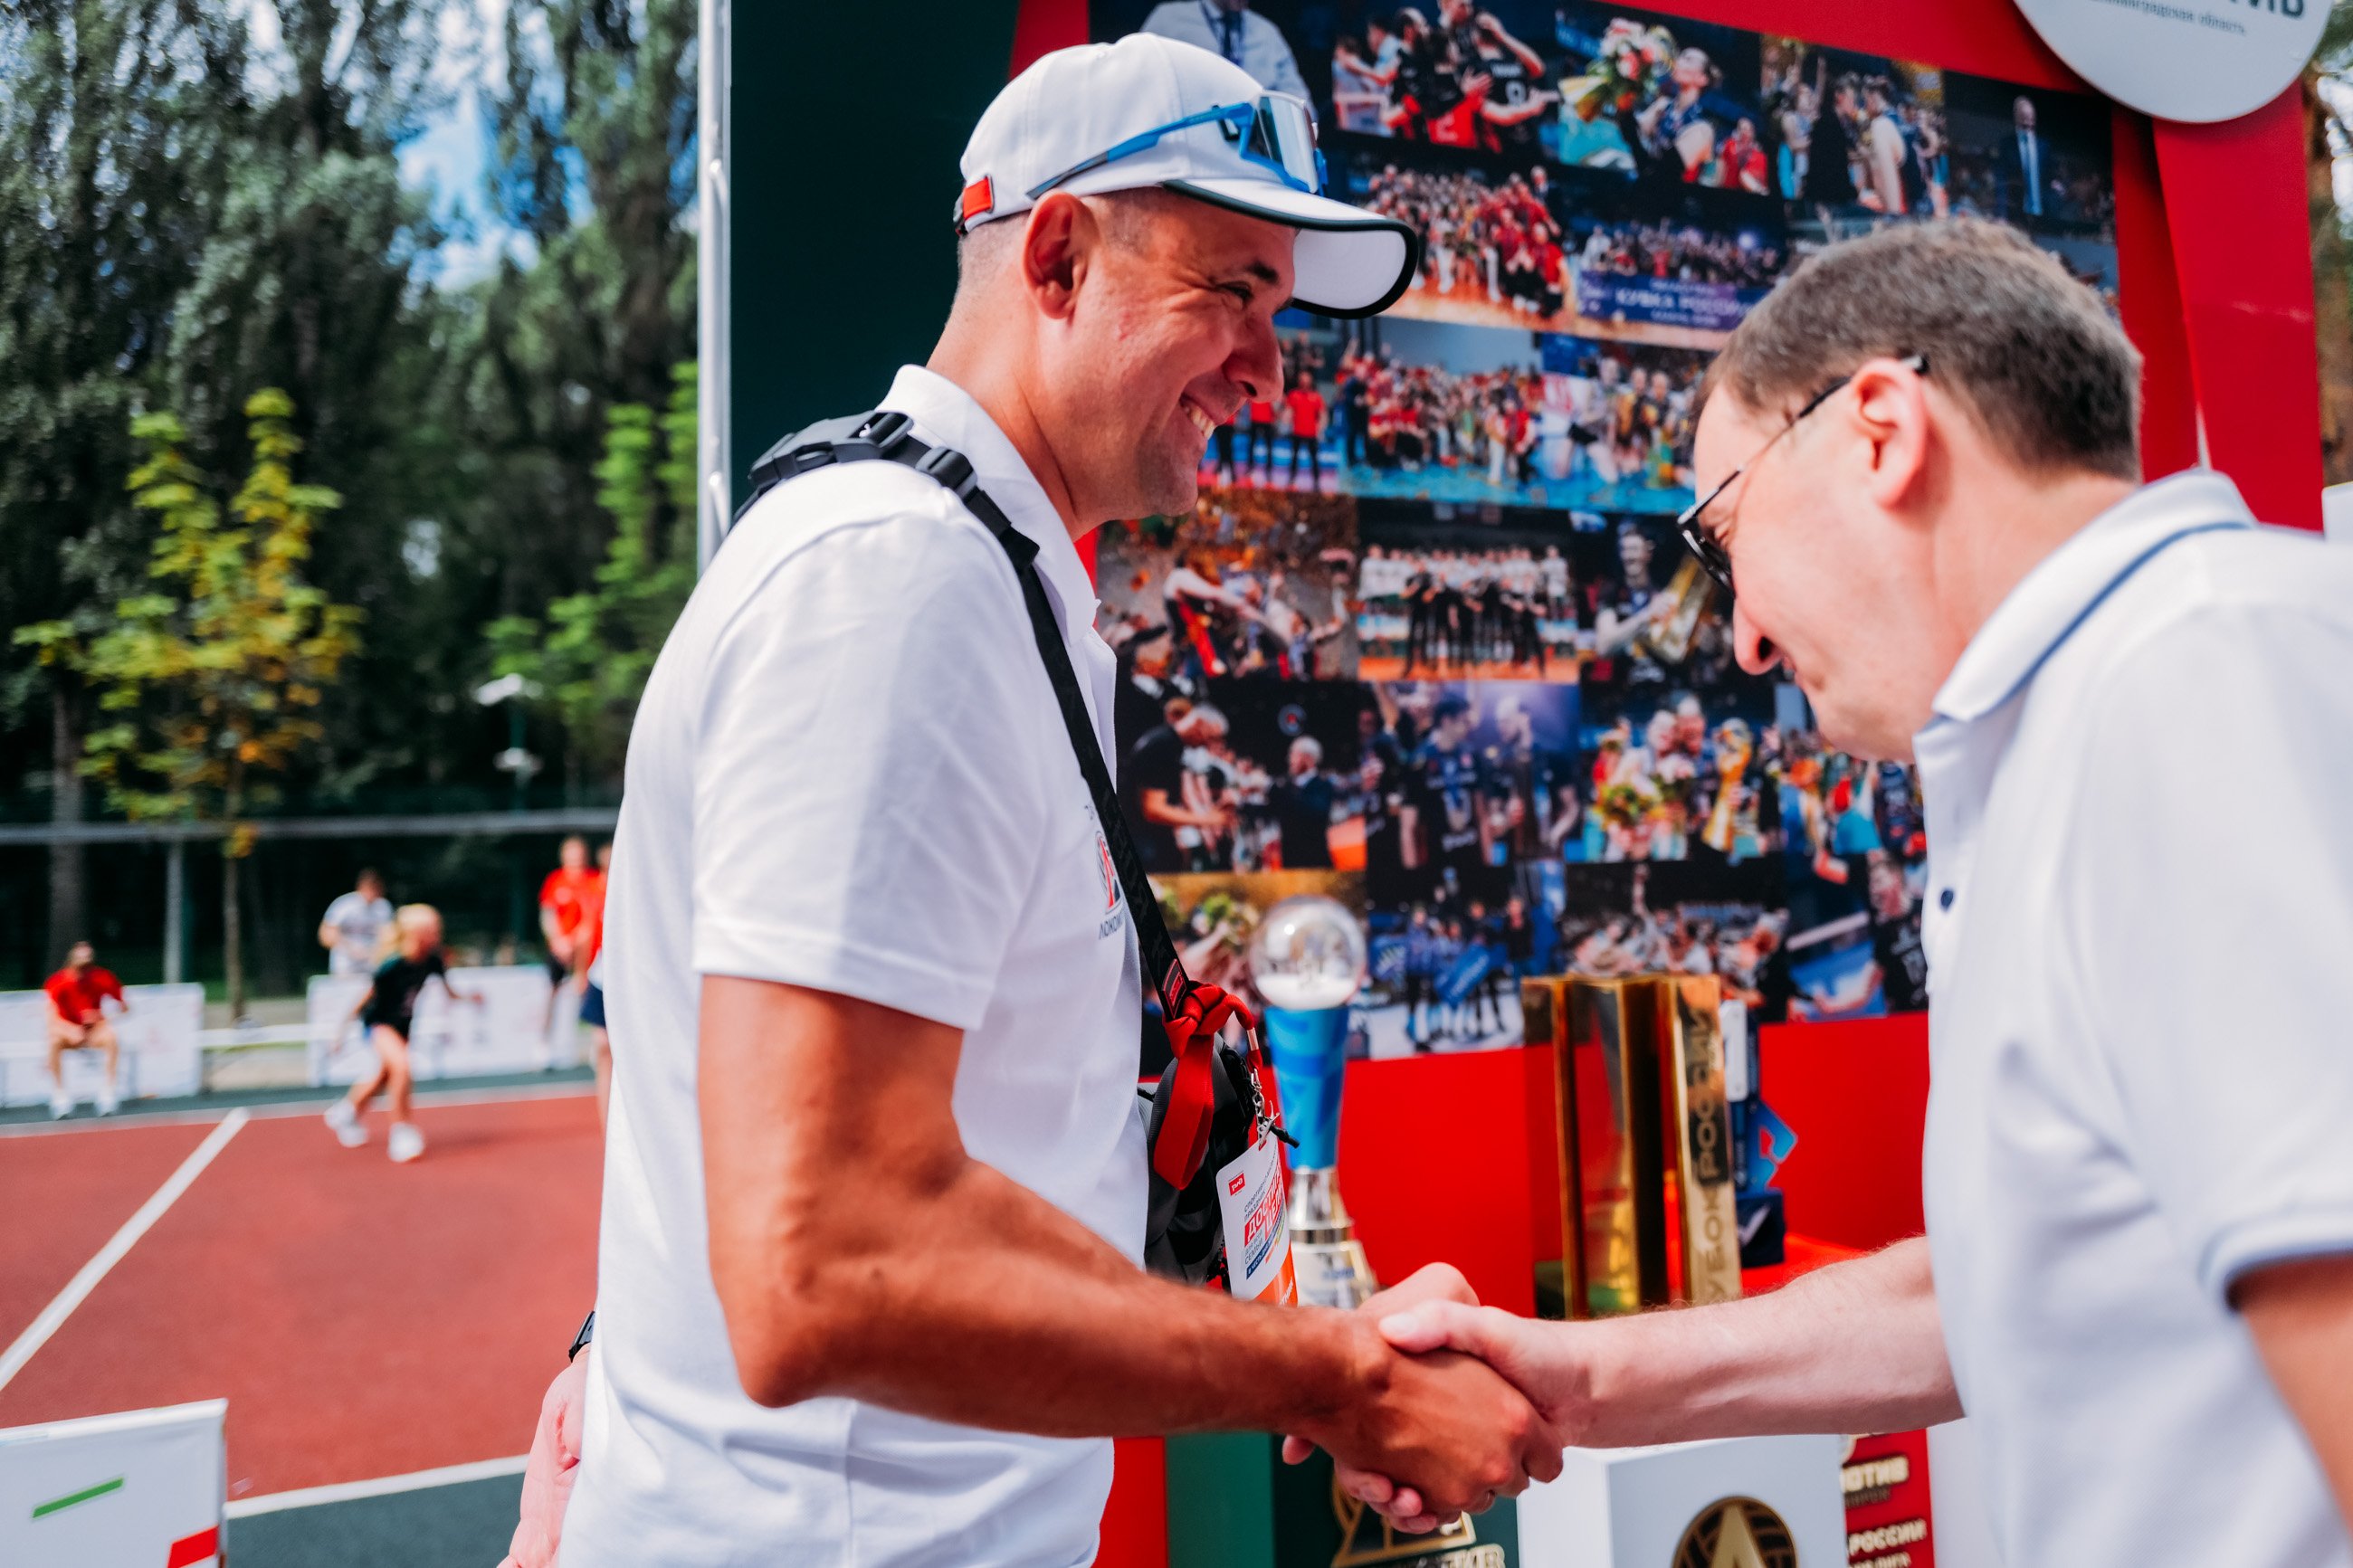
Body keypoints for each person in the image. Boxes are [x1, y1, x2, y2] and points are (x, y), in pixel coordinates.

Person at [503, 35, 1553, 1568]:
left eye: (1280, 310)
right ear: (1056, 256)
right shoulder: (900, 579)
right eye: (1234, 290)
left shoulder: (954, 563)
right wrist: (1339, 1379)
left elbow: (717, 1085)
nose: (1271, 366)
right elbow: (820, 1261)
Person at [1329, 219, 2353, 1561]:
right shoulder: (2107, 705)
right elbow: (2003, 1287)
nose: (1746, 635)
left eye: (1724, 533)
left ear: (1879, 432)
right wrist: (1575, 1376)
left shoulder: (2191, 672)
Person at [325, 904, 483, 1163]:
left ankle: (347, 1111)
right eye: (432, 929)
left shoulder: (432, 960)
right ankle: (402, 1132)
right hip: (378, 1024)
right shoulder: (392, 964)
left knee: (385, 1076)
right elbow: (363, 1000)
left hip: (403, 1026)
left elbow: (450, 992)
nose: (438, 934)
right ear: (416, 932)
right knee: (402, 1066)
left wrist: (469, 998)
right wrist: (339, 1033)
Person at [1139, 0, 1308, 99]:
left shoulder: (1266, 32)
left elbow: (1299, 99)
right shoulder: (1168, 19)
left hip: (1254, 139)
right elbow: (1140, 80)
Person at [43, 941, 127, 1118]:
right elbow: (51, 1016)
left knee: (111, 1038)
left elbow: (123, 1008)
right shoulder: (58, 981)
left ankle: (108, 1093)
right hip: (68, 1031)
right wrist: (71, 1029)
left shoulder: (102, 978)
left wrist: (101, 1017)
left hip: (94, 1030)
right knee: (54, 1041)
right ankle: (60, 1095)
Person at [318, 869, 395, 977]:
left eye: (376, 888)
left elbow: (390, 935)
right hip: (345, 965)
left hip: (373, 965)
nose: (373, 892)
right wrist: (351, 948)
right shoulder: (344, 904)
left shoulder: (383, 907)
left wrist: (379, 951)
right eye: (370, 888)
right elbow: (326, 935)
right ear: (360, 887)